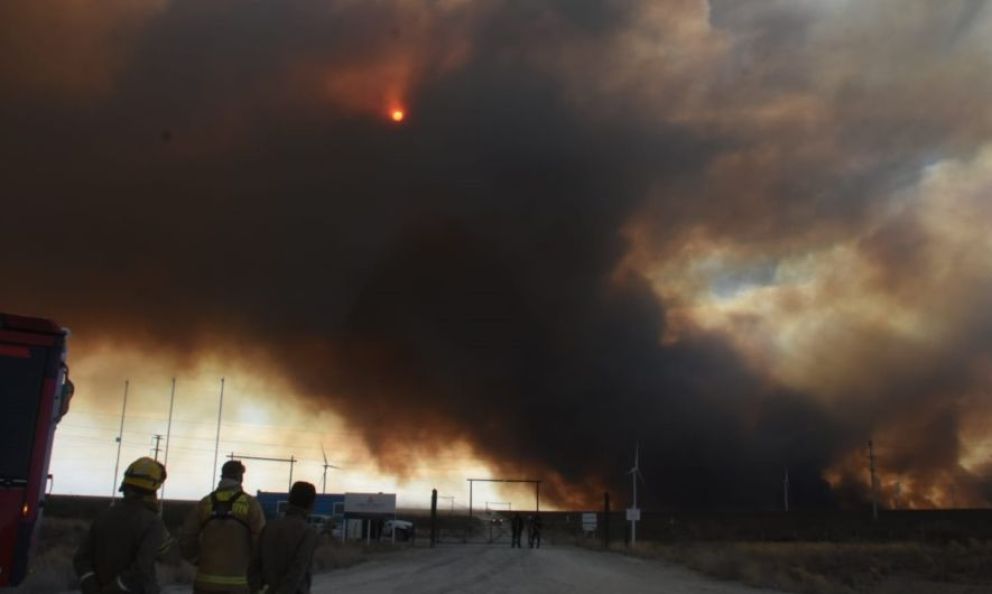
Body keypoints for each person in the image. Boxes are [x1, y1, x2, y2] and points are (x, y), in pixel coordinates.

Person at [74, 457, 171, 594]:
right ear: (153, 489)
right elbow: (143, 566)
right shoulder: (152, 522)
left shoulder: (104, 516)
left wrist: (91, 585)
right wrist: (113, 589)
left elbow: (81, 558)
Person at [180, 460, 265, 594]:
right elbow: (261, 541)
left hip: (205, 584)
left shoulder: (204, 503)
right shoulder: (251, 504)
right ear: (240, 477)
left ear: (222, 475)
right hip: (239, 584)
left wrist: (197, 560)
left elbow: (186, 538)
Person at [253, 482, 319, 594]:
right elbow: (298, 569)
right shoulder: (308, 532)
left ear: (290, 499)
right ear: (311, 503)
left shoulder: (269, 527)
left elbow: (254, 565)